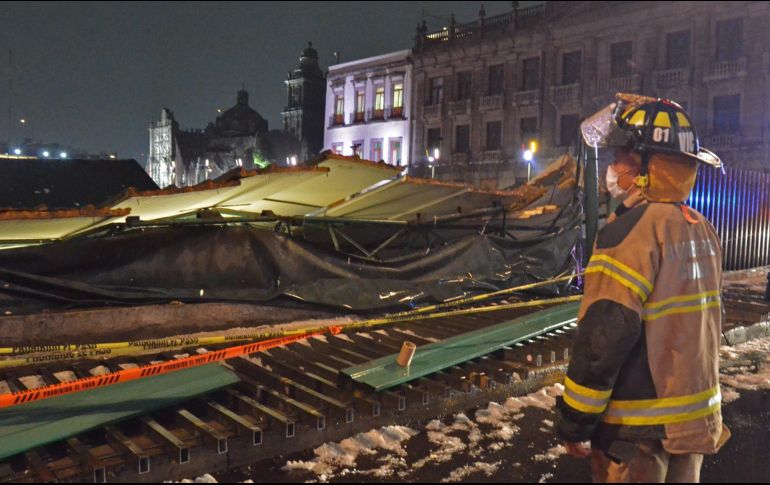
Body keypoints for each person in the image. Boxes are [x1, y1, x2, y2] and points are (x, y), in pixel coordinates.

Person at [556, 95, 730, 483]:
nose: (613, 168)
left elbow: (604, 334)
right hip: (691, 427)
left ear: (649, 167)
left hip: (637, 431)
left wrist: (575, 420)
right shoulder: (700, 227)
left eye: (620, 158)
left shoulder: (630, 233)